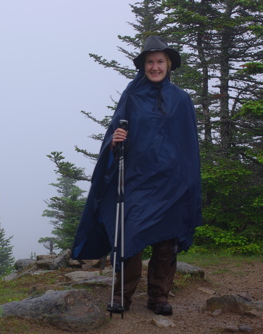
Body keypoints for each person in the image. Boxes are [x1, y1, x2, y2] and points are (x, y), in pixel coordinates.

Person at [71, 36, 202, 316]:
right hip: (137, 179)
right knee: (128, 235)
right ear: (143, 65)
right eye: (150, 62)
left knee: (166, 240)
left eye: (160, 62)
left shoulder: (181, 100)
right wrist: (115, 142)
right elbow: (115, 135)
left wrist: (188, 182)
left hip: (172, 182)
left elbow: (189, 145)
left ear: (169, 65)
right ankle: (122, 296)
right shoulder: (131, 97)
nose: (155, 67)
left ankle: (159, 297)